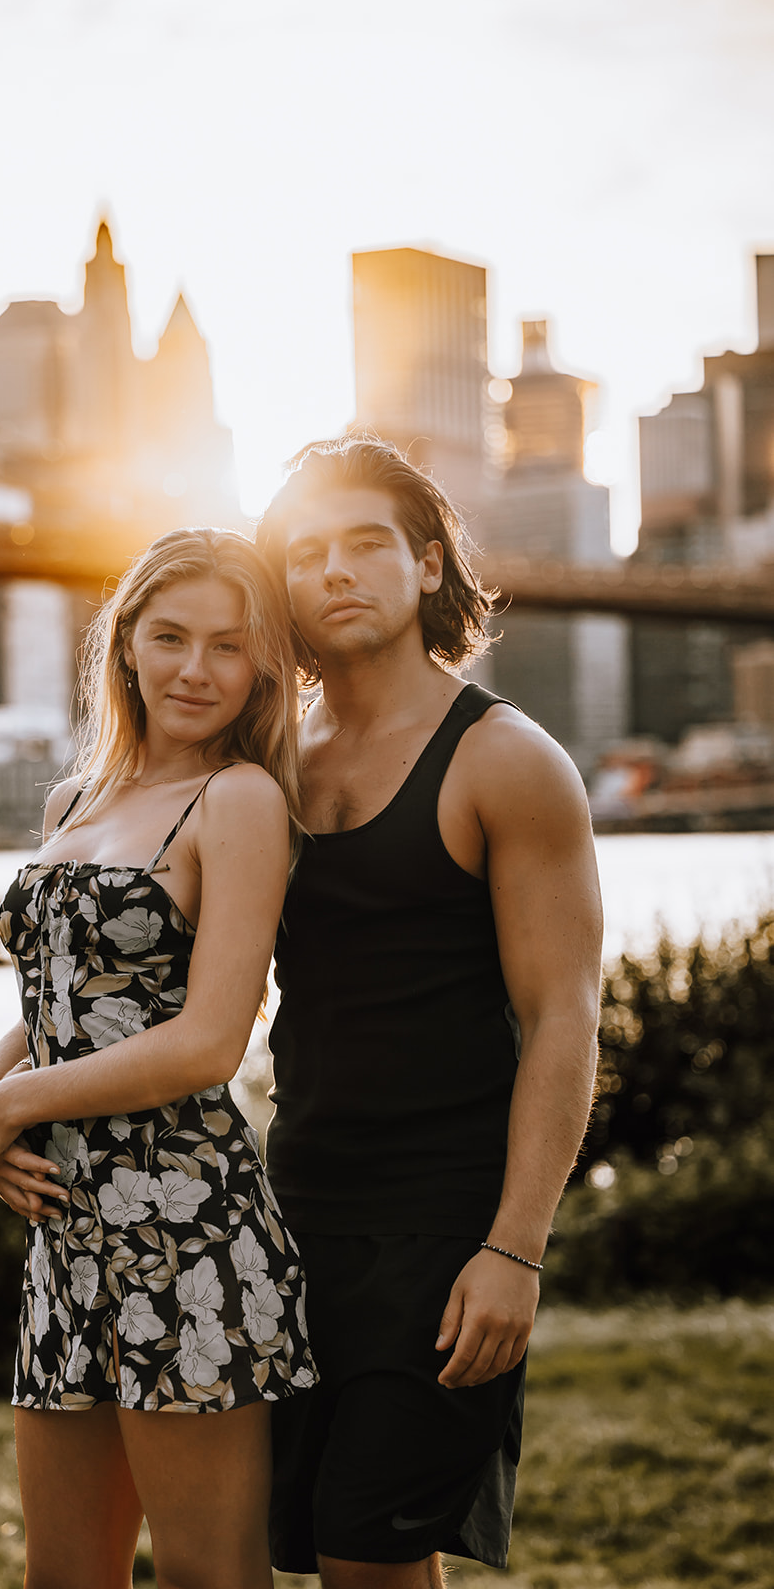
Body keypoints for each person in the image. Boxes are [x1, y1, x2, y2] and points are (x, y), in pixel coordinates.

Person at [0, 528, 317, 1589]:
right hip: (66, 1231)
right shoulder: (74, 802)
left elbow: (207, 1040)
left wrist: (14, 1102)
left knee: (207, 1576)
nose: (196, 668)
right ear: (127, 647)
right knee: (62, 1574)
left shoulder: (238, 800)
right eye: (170, 636)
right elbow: (60, 998)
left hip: (186, 1228)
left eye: (228, 646)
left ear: (259, 671)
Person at [255, 437, 604, 1589]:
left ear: (425, 564)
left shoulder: (505, 762)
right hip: (290, 1214)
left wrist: (514, 1247)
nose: (336, 571)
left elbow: (561, 1015)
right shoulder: (260, 771)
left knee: (369, 1546)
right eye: (306, 553)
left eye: (364, 543)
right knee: (324, 1558)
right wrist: (10, 1088)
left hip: (447, 1229)